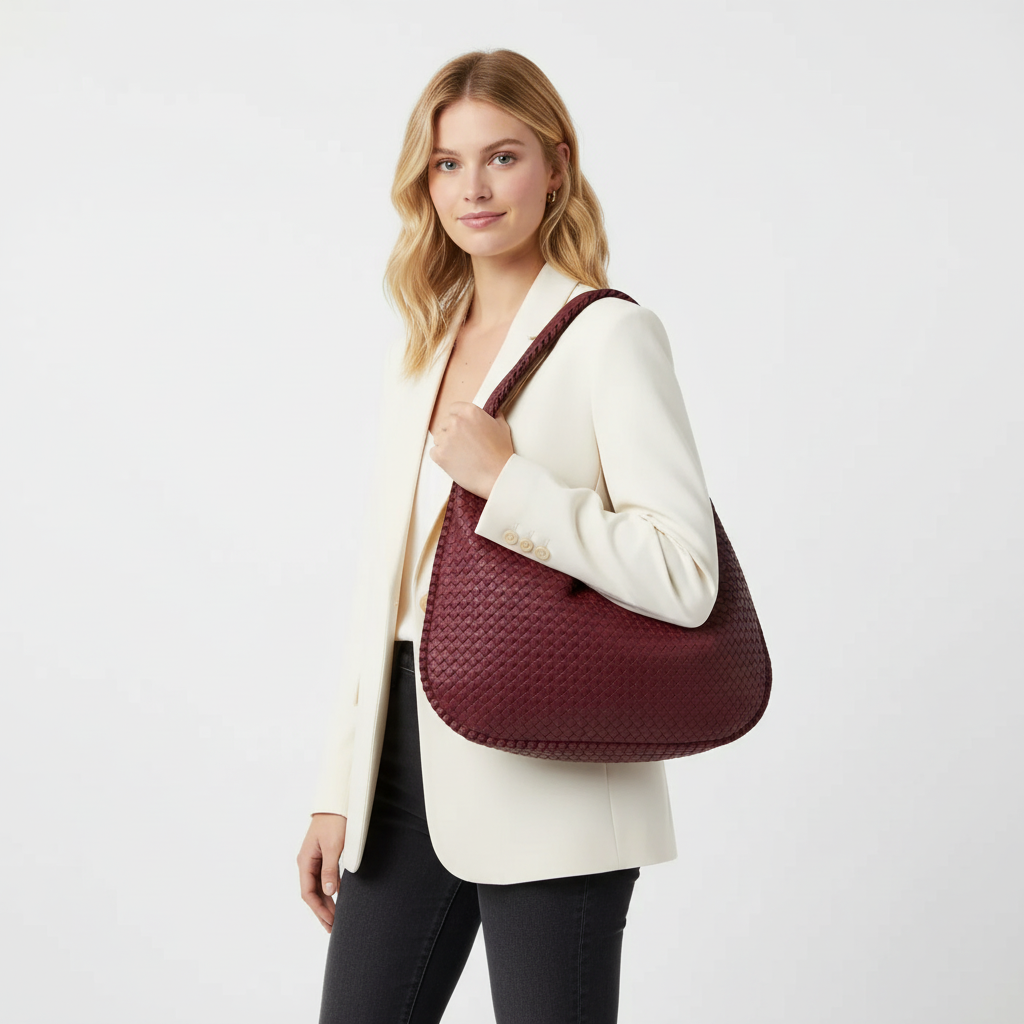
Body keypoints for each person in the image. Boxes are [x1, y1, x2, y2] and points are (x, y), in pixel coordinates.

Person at [296, 49, 720, 1024]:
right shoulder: (421, 351)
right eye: (447, 163)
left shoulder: (609, 337)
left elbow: (684, 573)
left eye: (502, 157)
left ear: (556, 167)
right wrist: (338, 788)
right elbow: (384, 591)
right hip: (400, 770)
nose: (473, 189)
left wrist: (509, 482)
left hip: (551, 768)